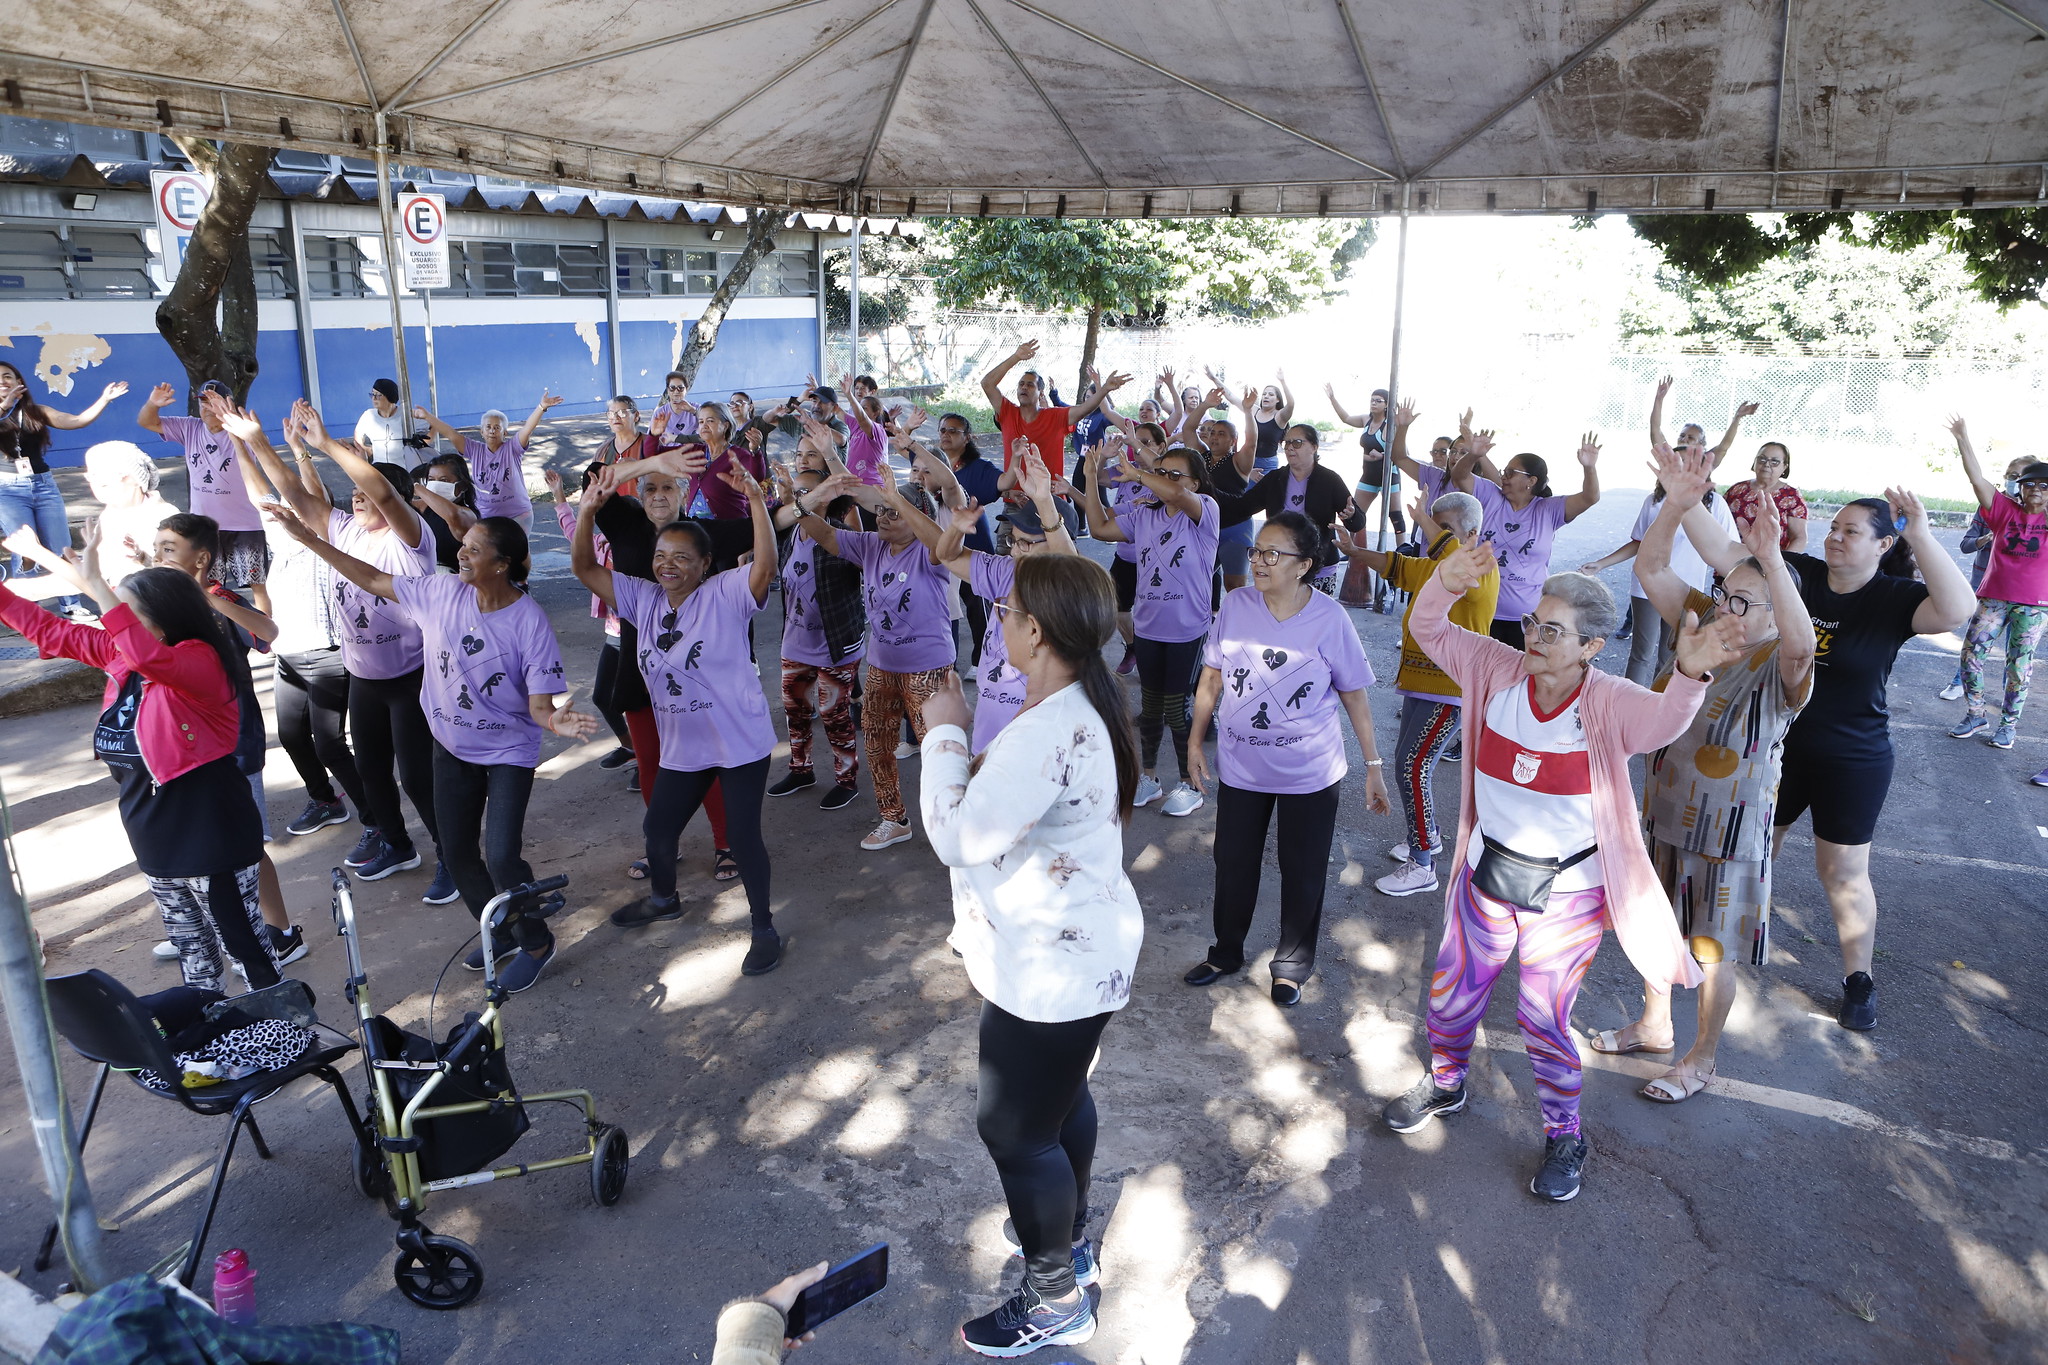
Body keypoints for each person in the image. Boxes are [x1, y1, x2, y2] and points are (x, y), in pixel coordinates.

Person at [1381, 541, 1742, 1202]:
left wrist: (1688, 675)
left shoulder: (1607, 701)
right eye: (1532, 623)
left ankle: (1563, 1132)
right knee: (1452, 990)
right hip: (1485, 874)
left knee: (1543, 1016)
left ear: (1592, 647)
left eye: (1553, 630)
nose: (1534, 637)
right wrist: (1441, 582)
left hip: (1569, 892)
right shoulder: (1494, 664)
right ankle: (1446, 1080)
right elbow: (1428, 628)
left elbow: (1663, 721)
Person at [918, 553, 1141, 1356]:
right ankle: (1070, 1238)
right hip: (1071, 955)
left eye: (1006, 611)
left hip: (1055, 969)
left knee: (1014, 1130)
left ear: (1037, 629)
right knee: (1056, 1104)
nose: (998, 621)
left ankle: (1055, 1298)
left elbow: (956, 836)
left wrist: (943, 727)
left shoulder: (1052, 725)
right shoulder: (1080, 702)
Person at [1671, 453, 1975, 1030]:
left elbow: (1959, 609)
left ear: (1883, 545)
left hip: (1852, 756)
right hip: (1772, 752)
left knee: (1841, 873)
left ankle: (1859, 980)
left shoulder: (1894, 598)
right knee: (1752, 854)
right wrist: (1686, 498)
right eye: (1834, 528)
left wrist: (1923, 535)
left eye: (1851, 532)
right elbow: (1722, 553)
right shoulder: (1798, 574)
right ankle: (1716, 957)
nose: (1835, 538)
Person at [272, 505, 599, 991]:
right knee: (458, 852)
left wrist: (556, 720)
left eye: (473, 550)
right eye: (463, 547)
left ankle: (535, 940)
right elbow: (371, 576)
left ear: (503, 564)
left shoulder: (528, 623)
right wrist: (309, 537)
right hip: (451, 745)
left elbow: (537, 706)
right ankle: (501, 929)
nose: (461, 554)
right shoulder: (439, 591)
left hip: (507, 752)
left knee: (503, 856)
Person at [1592, 455, 1814, 1103]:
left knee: (1712, 949)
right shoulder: (1702, 619)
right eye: (1725, 592)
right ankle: (1654, 1024)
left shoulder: (1781, 660)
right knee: (1653, 924)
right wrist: (1676, 503)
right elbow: (1651, 568)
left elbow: (1802, 647)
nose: (1727, 606)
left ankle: (1703, 1056)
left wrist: (1773, 562)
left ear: (1775, 610)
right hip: (1662, 809)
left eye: (1746, 602)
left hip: (1729, 828)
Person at [0, 545, 277, 993]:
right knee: (194, 957)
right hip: (151, 828)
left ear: (162, 618)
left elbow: (151, 659)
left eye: (122, 610)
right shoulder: (120, 656)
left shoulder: (199, 660)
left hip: (211, 829)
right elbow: (49, 630)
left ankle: (282, 1038)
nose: (110, 618)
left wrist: (94, 587)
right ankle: (212, 1049)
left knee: (244, 949)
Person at [573, 464, 786, 974]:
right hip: (684, 747)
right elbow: (584, 569)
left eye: (682, 559)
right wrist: (585, 513)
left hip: (738, 742)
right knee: (659, 827)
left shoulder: (728, 593)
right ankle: (664, 899)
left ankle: (764, 928)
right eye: (661, 557)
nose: (668, 566)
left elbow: (764, 566)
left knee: (743, 835)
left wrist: (757, 500)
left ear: (706, 564)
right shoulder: (642, 598)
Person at [1184, 512, 1390, 1005]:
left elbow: (1355, 696)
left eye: (1273, 554)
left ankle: (1292, 967)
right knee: (1233, 863)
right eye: (1256, 551)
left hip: (1310, 772)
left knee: (1304, 869)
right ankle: (1225, 952)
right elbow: (1211, 679)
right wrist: (1194, 742)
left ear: (1304, 566)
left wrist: (1374, 767)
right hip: (1241, 767)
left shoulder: (1330, 618)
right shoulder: (1234, 604)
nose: (1258, 561)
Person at [253, 402, 455, 898]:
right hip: (364, 676)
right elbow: (295, 497)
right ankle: (397, 844)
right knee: (370, 769)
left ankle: (452, 857)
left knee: (416, 777)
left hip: (410, 677)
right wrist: (257, 440)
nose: (358, 499)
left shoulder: (413, 540)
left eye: (368, 495)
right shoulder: (344, 529)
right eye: (354, 495)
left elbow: (385, 491)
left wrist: (326, 446)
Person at [586, 445, 741, 881]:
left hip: (696, 673)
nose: (657, 494)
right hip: (640, 670)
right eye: (650, 487)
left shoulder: (703, 533)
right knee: (651, 763)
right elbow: (592, 477)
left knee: (705, 762)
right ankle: (661, 844)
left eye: (667, 486)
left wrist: (806, 501)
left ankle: (726, 842)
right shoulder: (627, 525)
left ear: (684, 491)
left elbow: (764, 529)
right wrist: (652, 462)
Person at [1333, 490, 1499, 897]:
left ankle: (1423, 862)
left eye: (1445, 529)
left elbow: (1442, 553)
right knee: (1410, 764)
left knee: (1412, 766)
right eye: (1433, 528)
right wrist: (1355, 550)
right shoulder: (1435, 568)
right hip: (1421, 686)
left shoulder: (1479, 569)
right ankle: (1428, 837)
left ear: (1471, 534)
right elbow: (1396, 565)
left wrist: (1423, 518)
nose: (1433, 536)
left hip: (1451, 689)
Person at [223, 405, 372, 845]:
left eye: (293, 506)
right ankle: (326, 800)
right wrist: (238, 440)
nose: (280, 511)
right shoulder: (278, 538)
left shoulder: (323, 535)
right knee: (291, 736)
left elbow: (310, 495)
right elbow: (257, 494)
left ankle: (376, 820)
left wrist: (293, 449)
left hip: (327, 653)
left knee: (330, 744)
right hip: (288, 651)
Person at [793, 461, 957, 851]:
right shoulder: (869, 545)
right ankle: (893, 818)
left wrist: (897, 497)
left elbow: (940, 544)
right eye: (881, 510)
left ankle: (954, 822)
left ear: (917, 517)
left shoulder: (931, 552)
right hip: (882, 666)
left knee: (941, 751)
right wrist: (803, 503)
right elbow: (824, 534)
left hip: (928, 669)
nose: (883, 518)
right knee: (878, 746)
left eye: (894, 511)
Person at [1080, 437, 1219, 818]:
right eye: (1161, 472)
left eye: (1175, 474)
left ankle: (1191, 785)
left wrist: (1140, 472)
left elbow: (1178, 495)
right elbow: (1098, 528)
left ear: (1195, 483)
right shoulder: (1145, 515)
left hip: (1187, 630)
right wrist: (1092, 478)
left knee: (1177, 709)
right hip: (1148, 627)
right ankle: (1150, 777)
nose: (1165, 480)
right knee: (1152, 706)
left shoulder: (1205, 510)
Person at [924, 445, 1073, 754]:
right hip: (988, 732)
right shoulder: (1004, 570)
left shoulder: (1069, 590)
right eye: (1013, 540)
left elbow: (1068, 564)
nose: (1017, 550)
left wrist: (1044, 500)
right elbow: (946, 555)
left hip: (1033, 742)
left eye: (1029, 543)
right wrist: (955, 529)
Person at [1580, 447, 1737, 685]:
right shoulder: (1654, 501)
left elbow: (1728, 550)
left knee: (1671, 655)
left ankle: (1660, 707)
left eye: (1685, 463)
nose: (1679, 469)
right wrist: (1601, 564)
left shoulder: (1715, 503)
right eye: (1674, 463)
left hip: (1686, 592)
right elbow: (1638, 543)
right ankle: (1630, 705)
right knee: (1641, 654)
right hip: (1647, 587)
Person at [1945, 418, 2048, 752]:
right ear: (2019, 487)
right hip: (1993, 599)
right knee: (1971, 654)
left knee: (2019, 666)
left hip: (2034, 605)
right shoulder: (2004, 511)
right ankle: (1976, 714)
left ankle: (2008, 726)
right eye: (2030, 484)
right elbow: (1976, 477)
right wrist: (1963, 438)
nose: (2036, 489)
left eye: (2045, 485)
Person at [770, 466, 866, 808]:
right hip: (794, 643)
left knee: (834, 715)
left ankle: (846, 779)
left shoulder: (841, 537)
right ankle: (801, 770)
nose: (797, 499)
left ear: (826, 498)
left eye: (805, 492)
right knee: (795, 711)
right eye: (795, 492)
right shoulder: (787, 536)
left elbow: (871, 562)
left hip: (836, 645)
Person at [1452, 431, 1603, 648]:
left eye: (1511, 473)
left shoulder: (1548, 510)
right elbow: (1459, 477)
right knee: (1477, 676)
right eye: (1505, 471)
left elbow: (1590, 497)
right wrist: (1473, 455)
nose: (1503, 476)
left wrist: (1589, 467)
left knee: (1519, 677)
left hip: (1526, 619)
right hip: (1480, 609)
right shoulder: (1490, 496)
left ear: (1531, 481)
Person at [0, 361, 125, 618]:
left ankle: (71, 604)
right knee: (26, 548)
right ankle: (25, 610)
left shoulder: (36, 411)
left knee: (61, 546)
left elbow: (76, 421)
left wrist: (104, 399)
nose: (3, 381)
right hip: (7, 489)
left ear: (19, 381)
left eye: (7, 376)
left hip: (43, 485)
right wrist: (4, 406)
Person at [137, 380, 270, 613]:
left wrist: (230, 418)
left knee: (257, 585)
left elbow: (261, 446)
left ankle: (265, 642)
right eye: (203, 403)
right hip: (204, 528)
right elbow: (146, 421)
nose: (208, 408)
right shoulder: (190, 428)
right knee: (204, 585)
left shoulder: (243, 429)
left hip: (245, 524)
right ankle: (212, 636)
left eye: (214, 403)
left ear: (228, 405)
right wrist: (153, 403)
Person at [547, 465, 637, 771]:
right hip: (615, 634)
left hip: (641, 637)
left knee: (638, 702)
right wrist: (560, 497)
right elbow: (575, 533)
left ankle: (651, 759)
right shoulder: (598, 544)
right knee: (603, 697)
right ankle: (633, 747)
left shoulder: (639, 544)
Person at [1210, 422, 1366, 596]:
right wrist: (1207, 489)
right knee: (1278, 617)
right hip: (1277, 564)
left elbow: (1357, 523)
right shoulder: (1275, 479)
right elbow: (1241, 507)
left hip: (1319, 566)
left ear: (1314, 447)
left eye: (1297, 443)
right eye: (1287, 443)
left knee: (1313, 620)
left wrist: (1350, 516)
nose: (1290, 448)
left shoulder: (1330, 480)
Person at [979, 338, 1124, 482]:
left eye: (1030, 385)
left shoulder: (1055, 416)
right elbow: (987, 384)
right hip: (1015, 500)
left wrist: (1104, 388)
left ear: (1041, 393)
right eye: (1021, 384)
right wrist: (1016, 357)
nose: (1024, 387)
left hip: (1050, 497)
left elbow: (1084, 409)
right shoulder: (1007, 412)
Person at [414, 392, 561, 529]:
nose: (492, 430)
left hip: (518, 515)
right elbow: (450, 433)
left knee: (516, 554)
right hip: (485, 516)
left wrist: (541, 407)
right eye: (488, 427)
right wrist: (427, 416)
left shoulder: (513, 448)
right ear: (482, 432)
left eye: (497, 427)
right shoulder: (474, 449)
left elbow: (528, 428)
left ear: (505, 432)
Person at [79, 440, 179, 586]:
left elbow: (180, 572)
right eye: (91, 476)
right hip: (120, 600)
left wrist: (142, 557)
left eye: (107, 477)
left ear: (136, 479)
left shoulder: (166, 515)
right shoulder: (108, 516)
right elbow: (103, 571)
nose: (97, 482)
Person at [1327, 384, 1398, 530]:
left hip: (1389, 476)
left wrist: (1382, 455)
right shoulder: (1366, 419)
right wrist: (1333, 398)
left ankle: (1402, 549)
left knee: (1396, 517)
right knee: (1355, 515)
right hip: (1369, 476)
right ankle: (1353, 549)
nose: (1374, 403)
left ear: (1386, 405)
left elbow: (1403, 453)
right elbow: (1346, 418)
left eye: (1378, 401)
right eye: (1372, 400)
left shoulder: (1391, 424)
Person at [1649, 375, 1757, 470]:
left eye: (1691, 438)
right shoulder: (1669, 456)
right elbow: (1655, 429)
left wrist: (1737, 418)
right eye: (1682, 435)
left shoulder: (1706, 462)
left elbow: (1724, 447)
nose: (1684, 439)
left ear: (1701, 444)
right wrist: (1659, 399)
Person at [1722, 441, 1809, 553]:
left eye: (1775, 462)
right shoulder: (1737, 490)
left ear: (1784, 467)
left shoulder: (1792, 497)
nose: (1767, 464)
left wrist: (1783, 565)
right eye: (1762, 459)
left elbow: (1799, 538)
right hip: (1731, 558)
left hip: (1769, 563)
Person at [410, 451, 479, 572]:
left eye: (444, 481)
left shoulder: (467, 514)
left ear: (462, 486)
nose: (436, 485)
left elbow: (453, 515)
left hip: (456, 581)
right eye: (431, 480)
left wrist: (417, 488)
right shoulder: (425, 507)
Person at [353, 379, 408, 461]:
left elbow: (432, 426)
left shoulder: (406, 415)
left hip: (403, 470)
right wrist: (365, 449)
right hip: (378, 469)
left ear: (390, 396)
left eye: (378, 395)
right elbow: (358, 432)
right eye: (372, 394)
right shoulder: (369, 415)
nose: (374, 398)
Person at [1251, 372, 1294, 474]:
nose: (1266, 396)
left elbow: (1291, 404)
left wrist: (1282, 381)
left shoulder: (1280, 416)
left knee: (1267, 490)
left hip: (1268, 465)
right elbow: (1233, 398)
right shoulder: (1254, 410)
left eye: (1270, 394)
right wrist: (1214, 379)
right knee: (1247, 490)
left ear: (1277, 399)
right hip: (1249, 461)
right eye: (1264, 394)